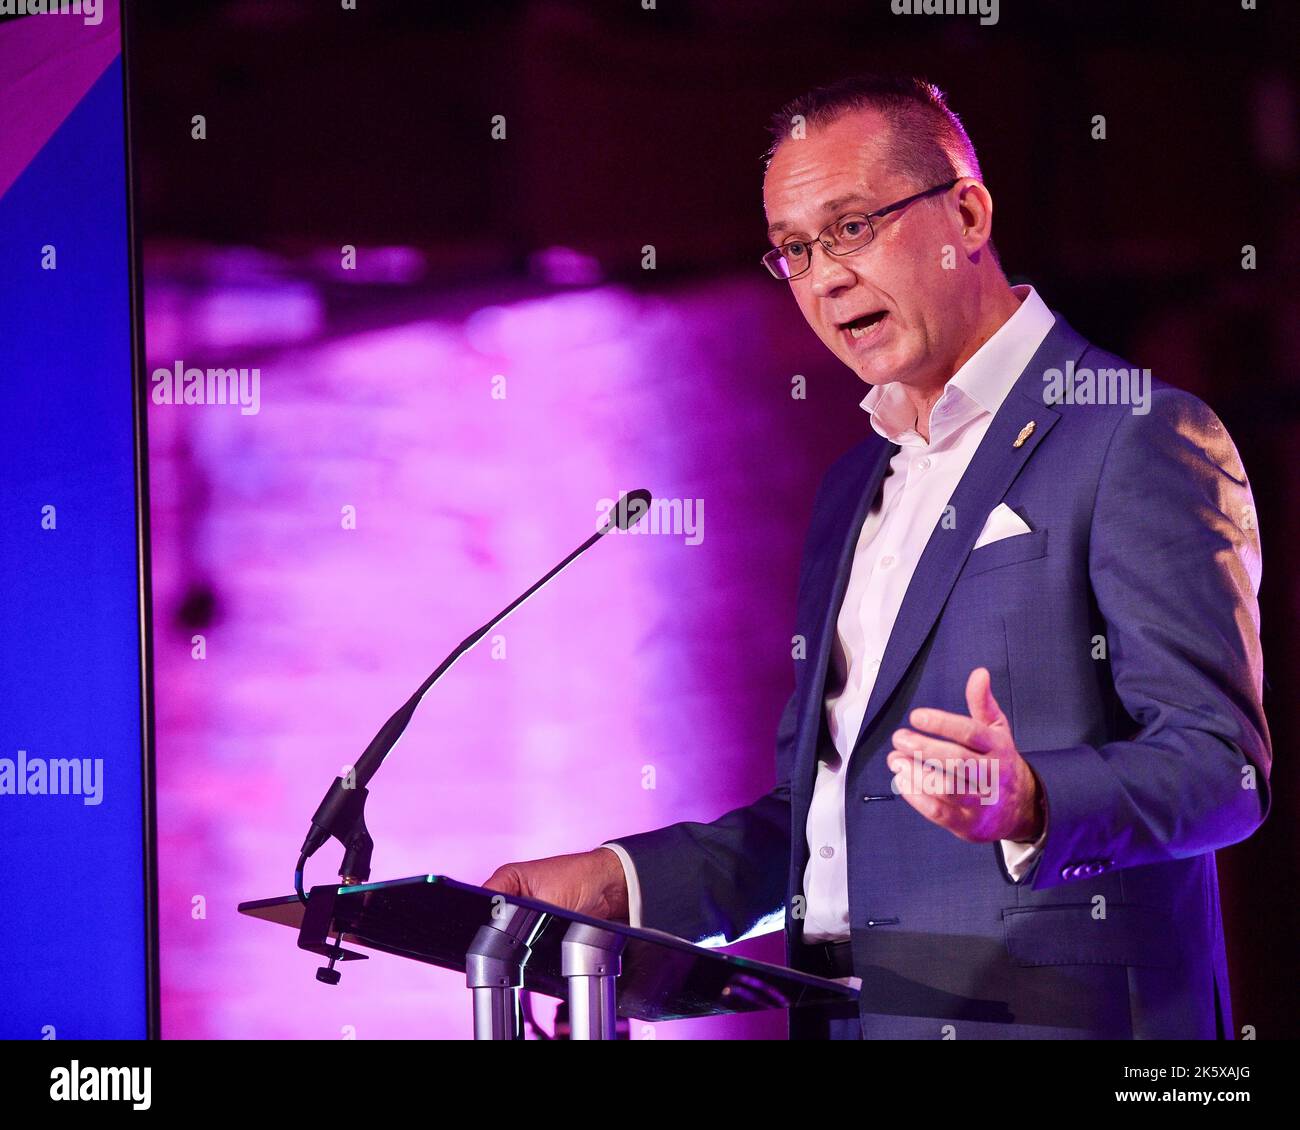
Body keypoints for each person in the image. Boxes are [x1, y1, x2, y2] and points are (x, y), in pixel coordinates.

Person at [484, 74, 1271, 1039]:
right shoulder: (855, 487)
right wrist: (622, 884)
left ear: (968, 212)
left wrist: (1031, 800)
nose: (822, 278)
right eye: (795, 250)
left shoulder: (1134, 433)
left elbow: (1218, 769)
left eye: (852, 228)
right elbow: (818, 822)